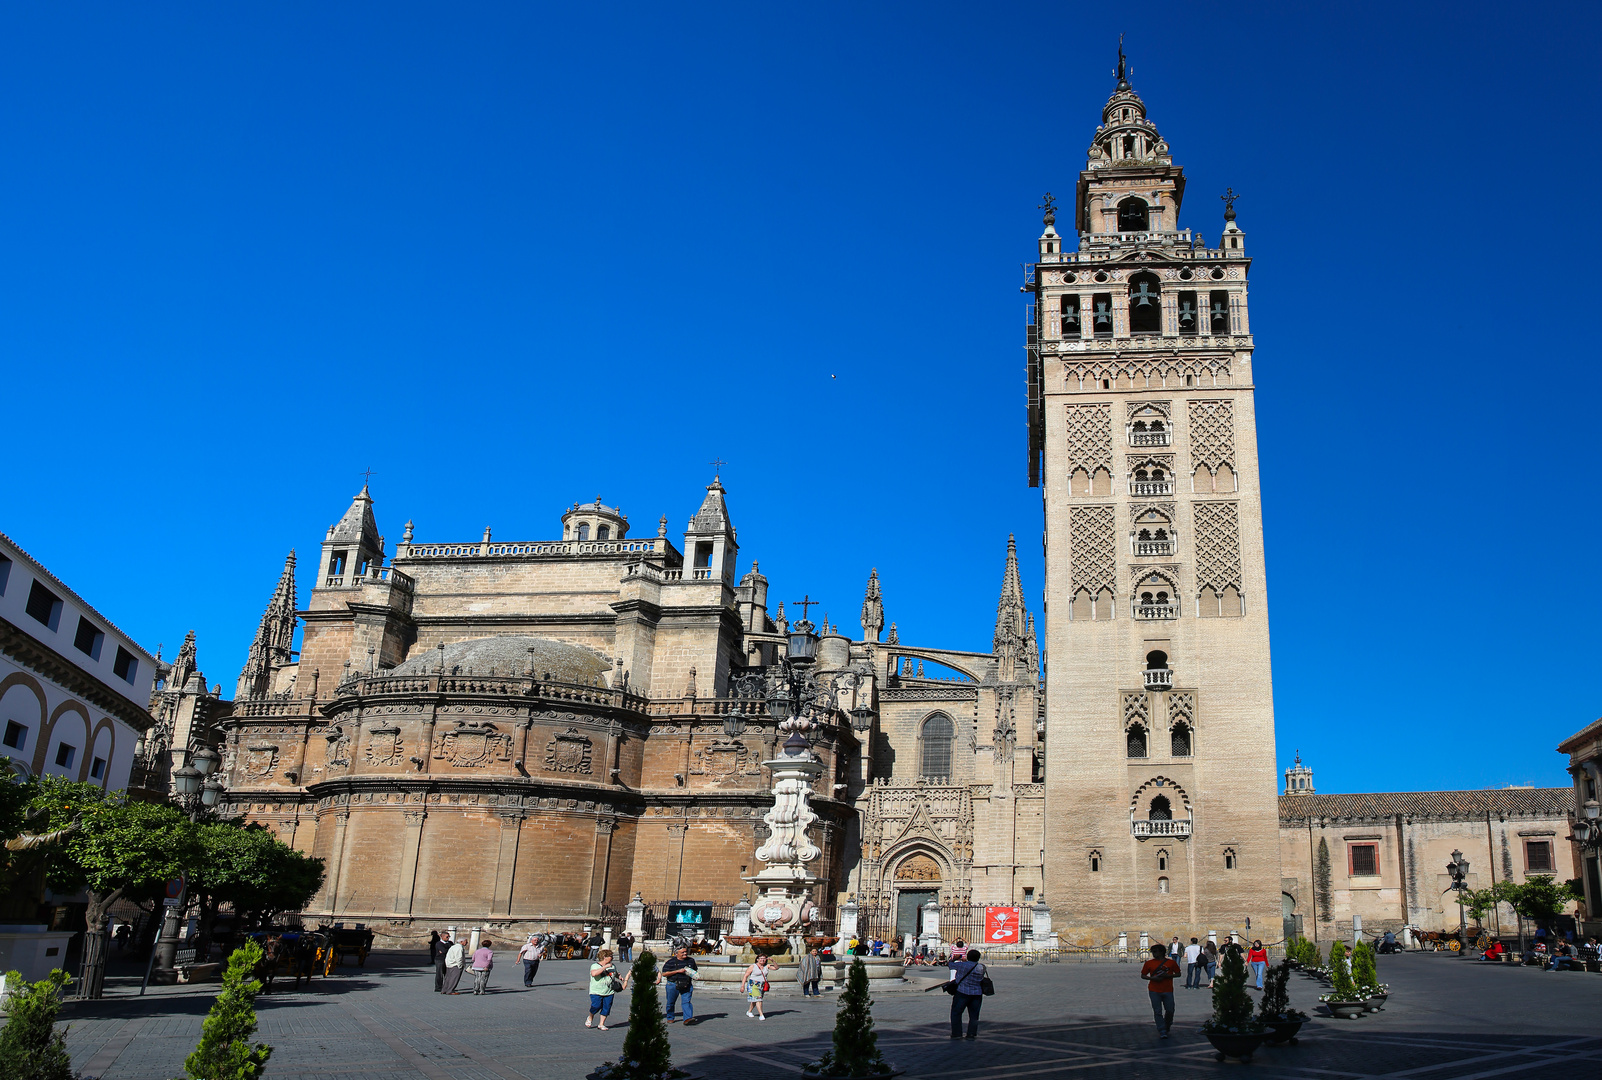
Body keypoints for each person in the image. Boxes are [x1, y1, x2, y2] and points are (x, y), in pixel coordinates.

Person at [1140, 943, 1182, 1039]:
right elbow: (1143, 975)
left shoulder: (1171, 963)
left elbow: (1178, 973)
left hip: (1168, 990)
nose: (1154, 954)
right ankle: (1162, 1029)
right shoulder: (1149, 963)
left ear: (1162, 952)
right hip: (1154, 990)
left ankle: (1167, 1025)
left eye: (1155, 952)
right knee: (1157, 1011)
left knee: (1170, 1010)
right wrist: (1153, 979)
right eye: (1153, 952)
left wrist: (1169, 976)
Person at [948, 948, 987, 1040]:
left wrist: (954, 958)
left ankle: (957, 1033)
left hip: (962, 992)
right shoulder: (982, 967)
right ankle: (971, 1034)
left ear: (968, 957)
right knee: (974, 1015)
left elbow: (950, 965)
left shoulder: (962, 965)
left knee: (956, 1013)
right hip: (977, 993)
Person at [587, 949, 628, 1030]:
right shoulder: (595, 966)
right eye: (610, 956)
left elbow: (615, 973)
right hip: (596, 991)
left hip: (609, 991)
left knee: (606, 1007)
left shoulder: (612, 966)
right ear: (604, 957)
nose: (612, 957)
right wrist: (605, 967)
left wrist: (620, 977)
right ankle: (590, 1017)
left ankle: (601, 1024)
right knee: (596, 1006)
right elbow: (594, 974)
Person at [660, 945, 699, 1025]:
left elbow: (695, 970)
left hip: (686, 984)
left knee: (686, 1002)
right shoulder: (670, 962)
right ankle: (670, 1017)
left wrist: (695, 975)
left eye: (686, 952)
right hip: (673, 984)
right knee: (670, 1002)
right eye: (682, 952)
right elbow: (664, 974)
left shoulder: (691, 960)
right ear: (676, 953)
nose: (685, 953)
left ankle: (687, 1018)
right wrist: (677, 971)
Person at [742, 954, 772, 1020]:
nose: (762, 960)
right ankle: (761, 1015)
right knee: (759, 999)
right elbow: (746, 976)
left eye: (764, 958)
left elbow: (776, 968)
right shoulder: (753, 966)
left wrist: (773, 961)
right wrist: (742, 986)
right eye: (760, 958)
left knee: (755, 1000)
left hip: (762, 985)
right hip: (753, 985)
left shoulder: (766, 966)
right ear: (757, 959)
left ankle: (749, 1011)